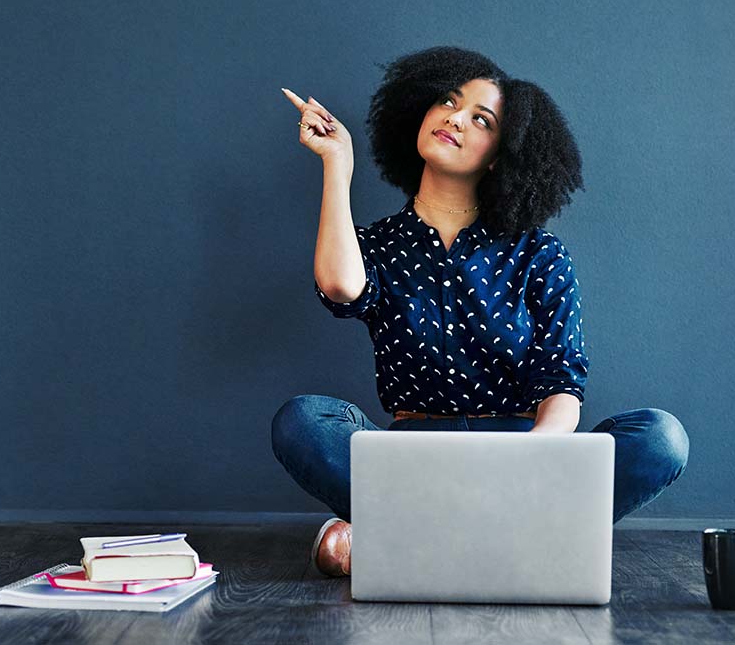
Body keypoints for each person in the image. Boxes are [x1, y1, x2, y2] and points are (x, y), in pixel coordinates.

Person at [271, 45, 690, 577]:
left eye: (481, 118)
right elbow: (340, 286)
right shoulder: (375, 245)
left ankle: (409, 544)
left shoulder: (539, 253)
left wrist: (527, 462)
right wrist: (338, 164)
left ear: (499, 154)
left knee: (660, 436)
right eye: (447, 101)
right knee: (301, 419)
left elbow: (562, 384)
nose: (454, 117)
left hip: (525, 459)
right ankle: (507, 546)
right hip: (411, 462)